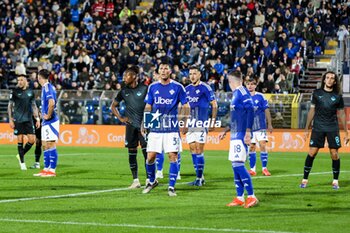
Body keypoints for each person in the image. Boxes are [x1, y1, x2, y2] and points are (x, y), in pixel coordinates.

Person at [142, 61, 189, 197]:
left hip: (171, 128)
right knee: (150, 157)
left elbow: (186, 106)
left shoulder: (178, 87)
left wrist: (184, 122)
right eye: (161, 69)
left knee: (172, 156)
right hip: (156, 126)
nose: (163, 71)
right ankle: (152, 182)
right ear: (158, 72)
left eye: (166, 68)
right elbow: (148, 106)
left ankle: (171, 187)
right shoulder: (152, 87)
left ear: (170, 71)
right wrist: (145, 123)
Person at [300, 71, 349, 189]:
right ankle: (305, 179)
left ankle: (335, 181)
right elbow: (312, 111)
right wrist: (306, 128)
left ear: (335, 81)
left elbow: (342, 114)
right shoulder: (316, 93)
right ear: (323, 80)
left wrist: (346, 132)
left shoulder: (338, 96)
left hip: (332, 127)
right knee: (312, 152)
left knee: (334, 154)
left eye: (332, 78)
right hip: (318, 127)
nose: (329, 80)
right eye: (327, 77)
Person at [219, 70, 258, 208]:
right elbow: (237, 117)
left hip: (241, 134)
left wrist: (248, 132)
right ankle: (240, 197)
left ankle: (252, 196)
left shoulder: (242, 92)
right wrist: (225, 130)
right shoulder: (236, 94)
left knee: (238, 165)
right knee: (235, 166)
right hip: (235, 134)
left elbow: (251, 111)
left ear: (231, 80)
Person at [110, 66, 148, 189]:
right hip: (131, 126)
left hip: (144, 126)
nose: (124, 78)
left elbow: (152, 105)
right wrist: (120, 118)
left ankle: (149, 179)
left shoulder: (145, 89)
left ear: (134, 77)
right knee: (132, 153)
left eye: (127, 75)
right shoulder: (123, 91)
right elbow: (113, 106)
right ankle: (135, 180)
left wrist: (148, 121)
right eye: (124, 76)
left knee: (147, 154)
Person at [186, 65, 218, 186]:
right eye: (190, 74)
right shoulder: (187, 89)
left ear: (200, 75)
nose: (192, 76)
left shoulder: (205, 87)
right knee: (192, 149)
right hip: (189, 123)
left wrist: (213, 121)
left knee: (199, 149)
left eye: (194, 73)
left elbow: (214, 104)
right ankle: (200, 177)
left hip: (201, 122)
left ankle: (199, 179)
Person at [8, 74, 40, 170]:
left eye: (21, 80)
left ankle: (20, 154)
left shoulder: (31, 92)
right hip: (18, 120)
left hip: (28, 119)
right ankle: (22, 163)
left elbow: (34, 105)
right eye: (18, 80)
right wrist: (10, 119)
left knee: (32, 140)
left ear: (26, 81)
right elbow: (10, 106)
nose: (19, 82)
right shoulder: (14, 92)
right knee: (20, 140)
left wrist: (37, 118)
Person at [34, 69, 60, 177]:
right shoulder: (44, 88)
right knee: (44, 144)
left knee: (51, 144)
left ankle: (52, 170)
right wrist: (41, 116)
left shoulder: (48, 87)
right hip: (45, 121)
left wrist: (48, 115)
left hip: (51, 121)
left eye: (38, 77)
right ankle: (46, 169)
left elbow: (52, 103)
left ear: (40, 77)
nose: (37, 79)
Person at [245, 77, 273, 176]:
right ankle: (252, 169)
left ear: (256, 85)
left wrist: (269, 124)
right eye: (248, 84)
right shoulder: (243, 97)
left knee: (262, 145)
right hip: (250, 127)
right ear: (245, 85)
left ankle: (264, 168)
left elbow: (266, 110)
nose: (250, 86)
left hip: (260, 126)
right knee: (252, 147)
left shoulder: (261, 96)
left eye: (252, 84)